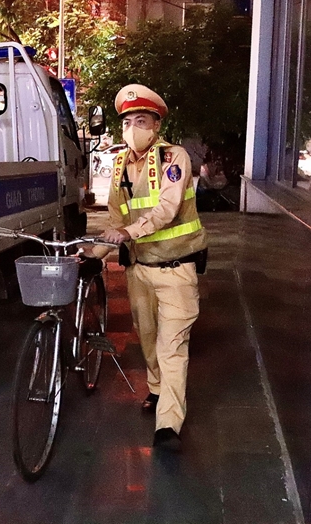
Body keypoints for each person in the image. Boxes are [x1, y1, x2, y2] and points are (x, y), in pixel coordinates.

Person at [98, 84, 208, 452]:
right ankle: (157, 388)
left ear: (156, 125)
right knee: (146, 338)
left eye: (141, 121)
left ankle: (168, 425)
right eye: (126, 122)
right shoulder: (119, 165)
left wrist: (128, 232)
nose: (132, 129)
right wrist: (94, 254)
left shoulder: (174, 158)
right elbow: (115, 218)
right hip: (139, 271)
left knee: (171, 347)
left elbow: (167, 208)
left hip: (177, 270)